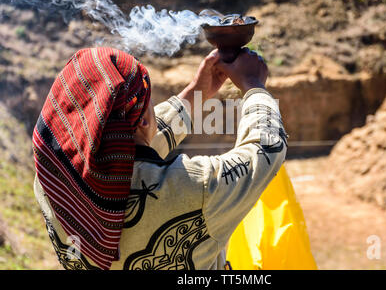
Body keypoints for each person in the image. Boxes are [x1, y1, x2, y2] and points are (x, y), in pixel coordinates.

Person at [33, 47, 287, 270]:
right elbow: (265, 152)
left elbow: (128, 141)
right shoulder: (195, 189)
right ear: (143, 119)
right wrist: (254, 87)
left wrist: (194, 94)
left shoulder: (50, 180)